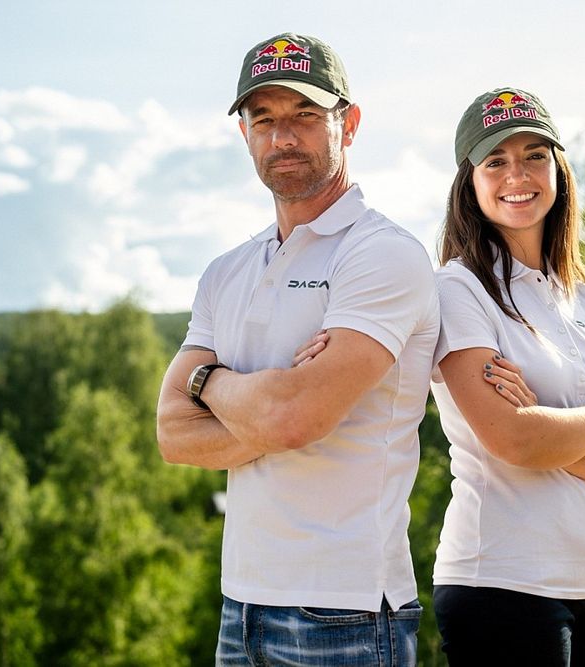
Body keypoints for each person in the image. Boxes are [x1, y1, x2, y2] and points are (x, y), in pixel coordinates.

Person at [155, 32, 439, 666]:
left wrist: (209, 383)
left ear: (350, 122)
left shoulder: (383, 254)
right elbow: (173, 434)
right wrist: (282, 409)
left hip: (347, 611)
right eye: (265, 119)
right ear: (245, 134)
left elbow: (294, 417)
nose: (283, 137)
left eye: (306, 115)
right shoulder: (224, 272)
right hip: (240, 606)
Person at [428, 87, 585, 665]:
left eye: (535, 154)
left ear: (558, 168)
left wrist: (546, 430)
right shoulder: (459, 290)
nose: (518, 174)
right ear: (470, 183)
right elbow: (512, 440)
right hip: (498, 582)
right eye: (496, 161)